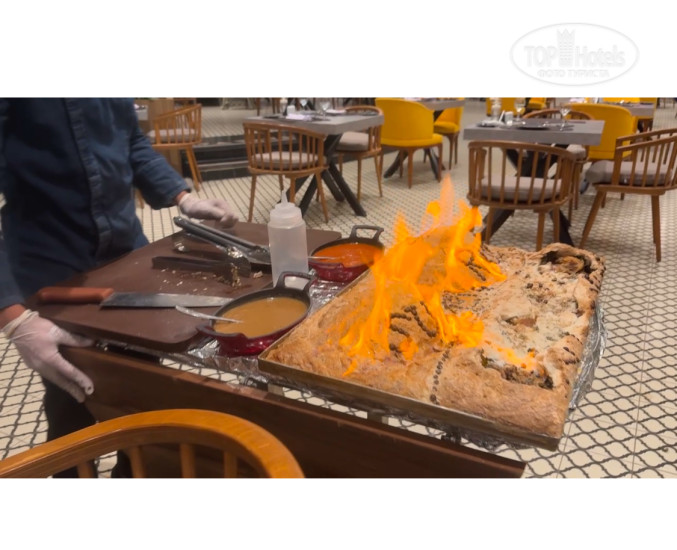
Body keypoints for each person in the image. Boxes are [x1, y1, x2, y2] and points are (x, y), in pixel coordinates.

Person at [0, 98, 238, 476]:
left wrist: (182, 196)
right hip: (51, 265)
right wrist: (12, 317)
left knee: (140, 390)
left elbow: (131, 142)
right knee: (73, 397)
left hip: (126, 256)